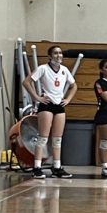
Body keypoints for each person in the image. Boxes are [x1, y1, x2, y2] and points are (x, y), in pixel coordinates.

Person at [22, 45, 76, 179]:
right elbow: (27, 82)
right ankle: (37, 167)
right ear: (50, 56)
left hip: (59, 105)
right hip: (46, 105)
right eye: (56, 53)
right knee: (43, 137)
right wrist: (36, 97)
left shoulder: (64, 70)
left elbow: (74, 85)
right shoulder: (43, 69)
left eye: (60, 53)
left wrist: (68, 99)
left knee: (57, 139)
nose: (59, 55)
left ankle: (57, 167)